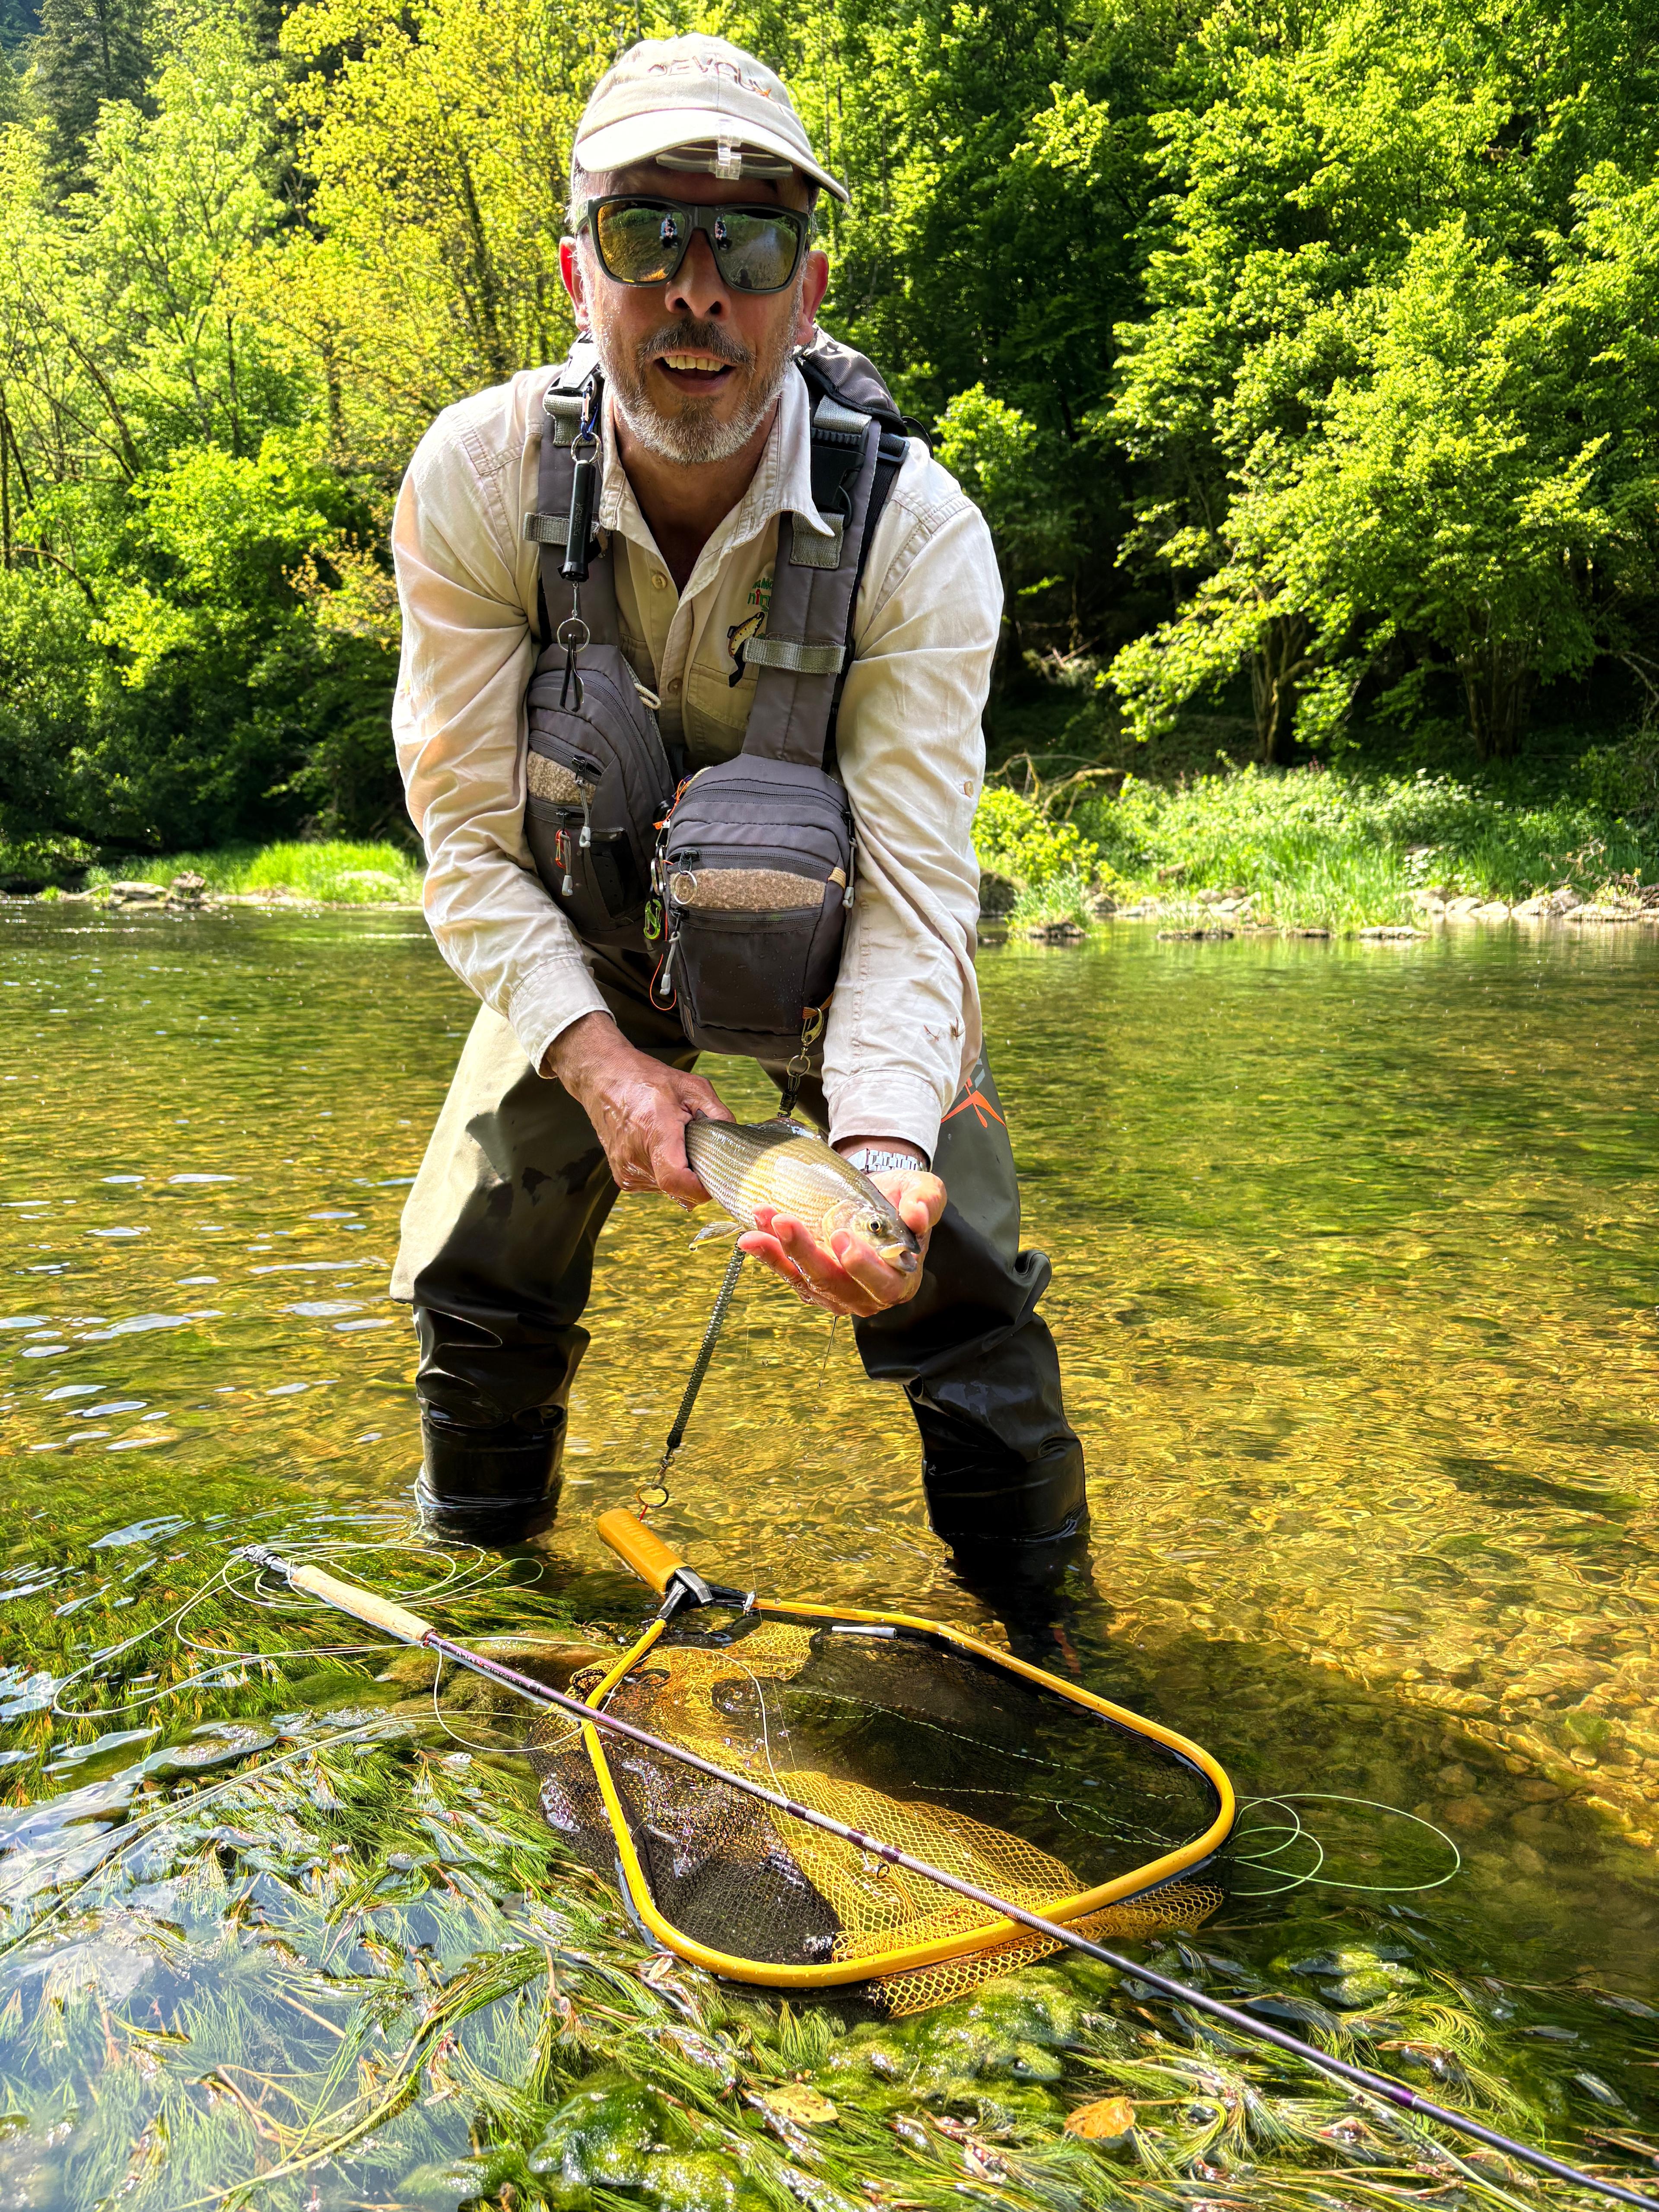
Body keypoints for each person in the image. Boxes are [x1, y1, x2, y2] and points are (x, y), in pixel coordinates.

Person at [388, 34, 1086, 1607]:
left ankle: (1046, 1644)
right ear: (582, 272)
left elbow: (918, 902)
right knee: (474, 1264)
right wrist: (605, 1070)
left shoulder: (919, 534)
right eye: (650, 233)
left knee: (951, 1280)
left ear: (808, 287)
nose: (698, 287)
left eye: (751, 238)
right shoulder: (478, 481)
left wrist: (890, 1144)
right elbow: (466, 840)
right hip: (580, 932)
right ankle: (488, 1606)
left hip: (833, 952)